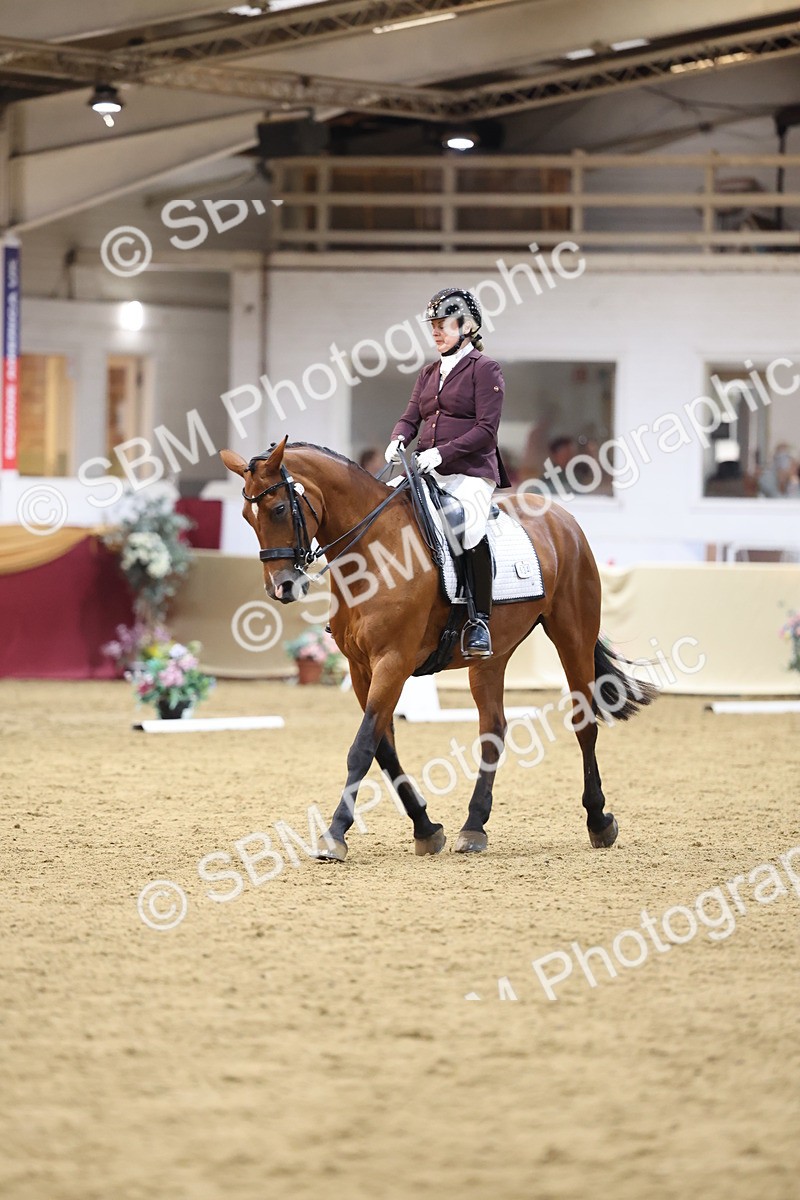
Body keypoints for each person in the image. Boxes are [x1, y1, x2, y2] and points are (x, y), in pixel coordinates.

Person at [384, 286, 510, 658]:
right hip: (426, 467)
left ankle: (479, 620)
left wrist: (442, 454)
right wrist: (398, 439)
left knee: (467, 527)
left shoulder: (485, 370)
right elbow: (411, 417)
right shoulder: (428, 372)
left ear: (467, 326)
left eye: (443, 324)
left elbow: (487, 429)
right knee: (379, 508)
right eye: (433, 325)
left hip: (470, 471)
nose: (435, 331)